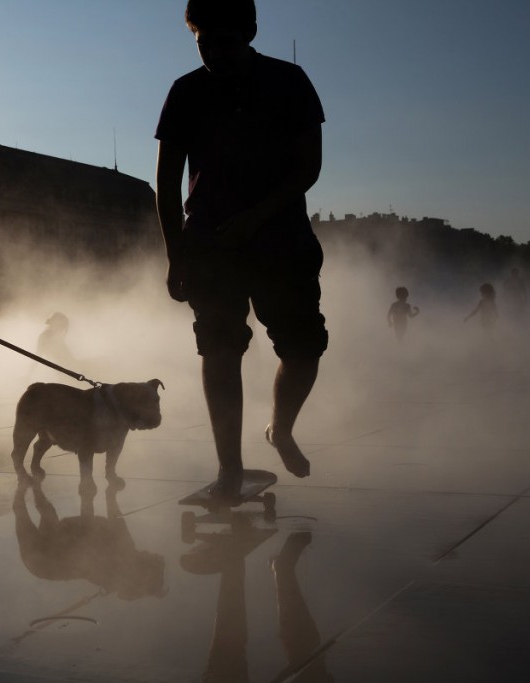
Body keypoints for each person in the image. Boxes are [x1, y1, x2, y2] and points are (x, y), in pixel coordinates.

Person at [155, 0, 328, 500]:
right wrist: (175, 254)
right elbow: (166, 181)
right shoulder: (186, 91)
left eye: (224, 42)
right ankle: (229, 466)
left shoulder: (289, 80)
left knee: (303, 348)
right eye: (203, 43)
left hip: (281, 238)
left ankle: (281, 428)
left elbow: (307, 168)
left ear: (250, 32)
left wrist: (256, 216)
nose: (213, 53)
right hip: (209, 242)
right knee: (219, 349)